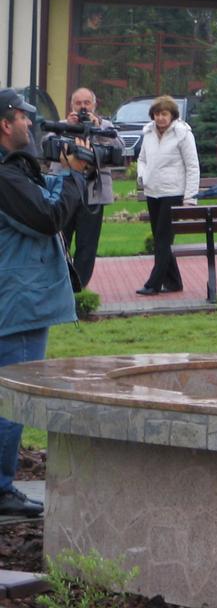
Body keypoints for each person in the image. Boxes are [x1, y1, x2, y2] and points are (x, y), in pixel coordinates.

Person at [0, 88, 90, 516]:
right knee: (11, 399)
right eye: (23, 117)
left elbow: (40, 197)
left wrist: (67, 175)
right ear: (5, 123)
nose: (30, 124)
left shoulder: (13, 170)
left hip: (17, 298)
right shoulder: (5, 175)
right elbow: (47, 217)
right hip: (19, 304)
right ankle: (1, 489)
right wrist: (72, 176)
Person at [58, 87, 123, 288]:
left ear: (94, 105)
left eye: (87, 103)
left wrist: (98, 128)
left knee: (87, 244)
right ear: (71, 105)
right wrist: (68, 128)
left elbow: (120, 149)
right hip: (66, 191)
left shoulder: (105, 126)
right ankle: (61, 282)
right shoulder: (62, 124)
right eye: (79, 103)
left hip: (93, 190)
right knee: (60, 241)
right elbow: (47, 146)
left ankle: (79, 287)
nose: (83, 107)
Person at [135, 95, 200, 295]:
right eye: (157, 114)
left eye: (164, 114)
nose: (160, 118)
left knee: (163, 239)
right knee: (159, 238)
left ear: (172, 115)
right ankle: (174, 282)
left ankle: (153, 283)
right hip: (153, 192)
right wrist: (142, 176)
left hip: (173, 193)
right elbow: (142, 159)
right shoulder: (148, 132)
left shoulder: (183, 133)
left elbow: (192, 166)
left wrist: (190, 198)